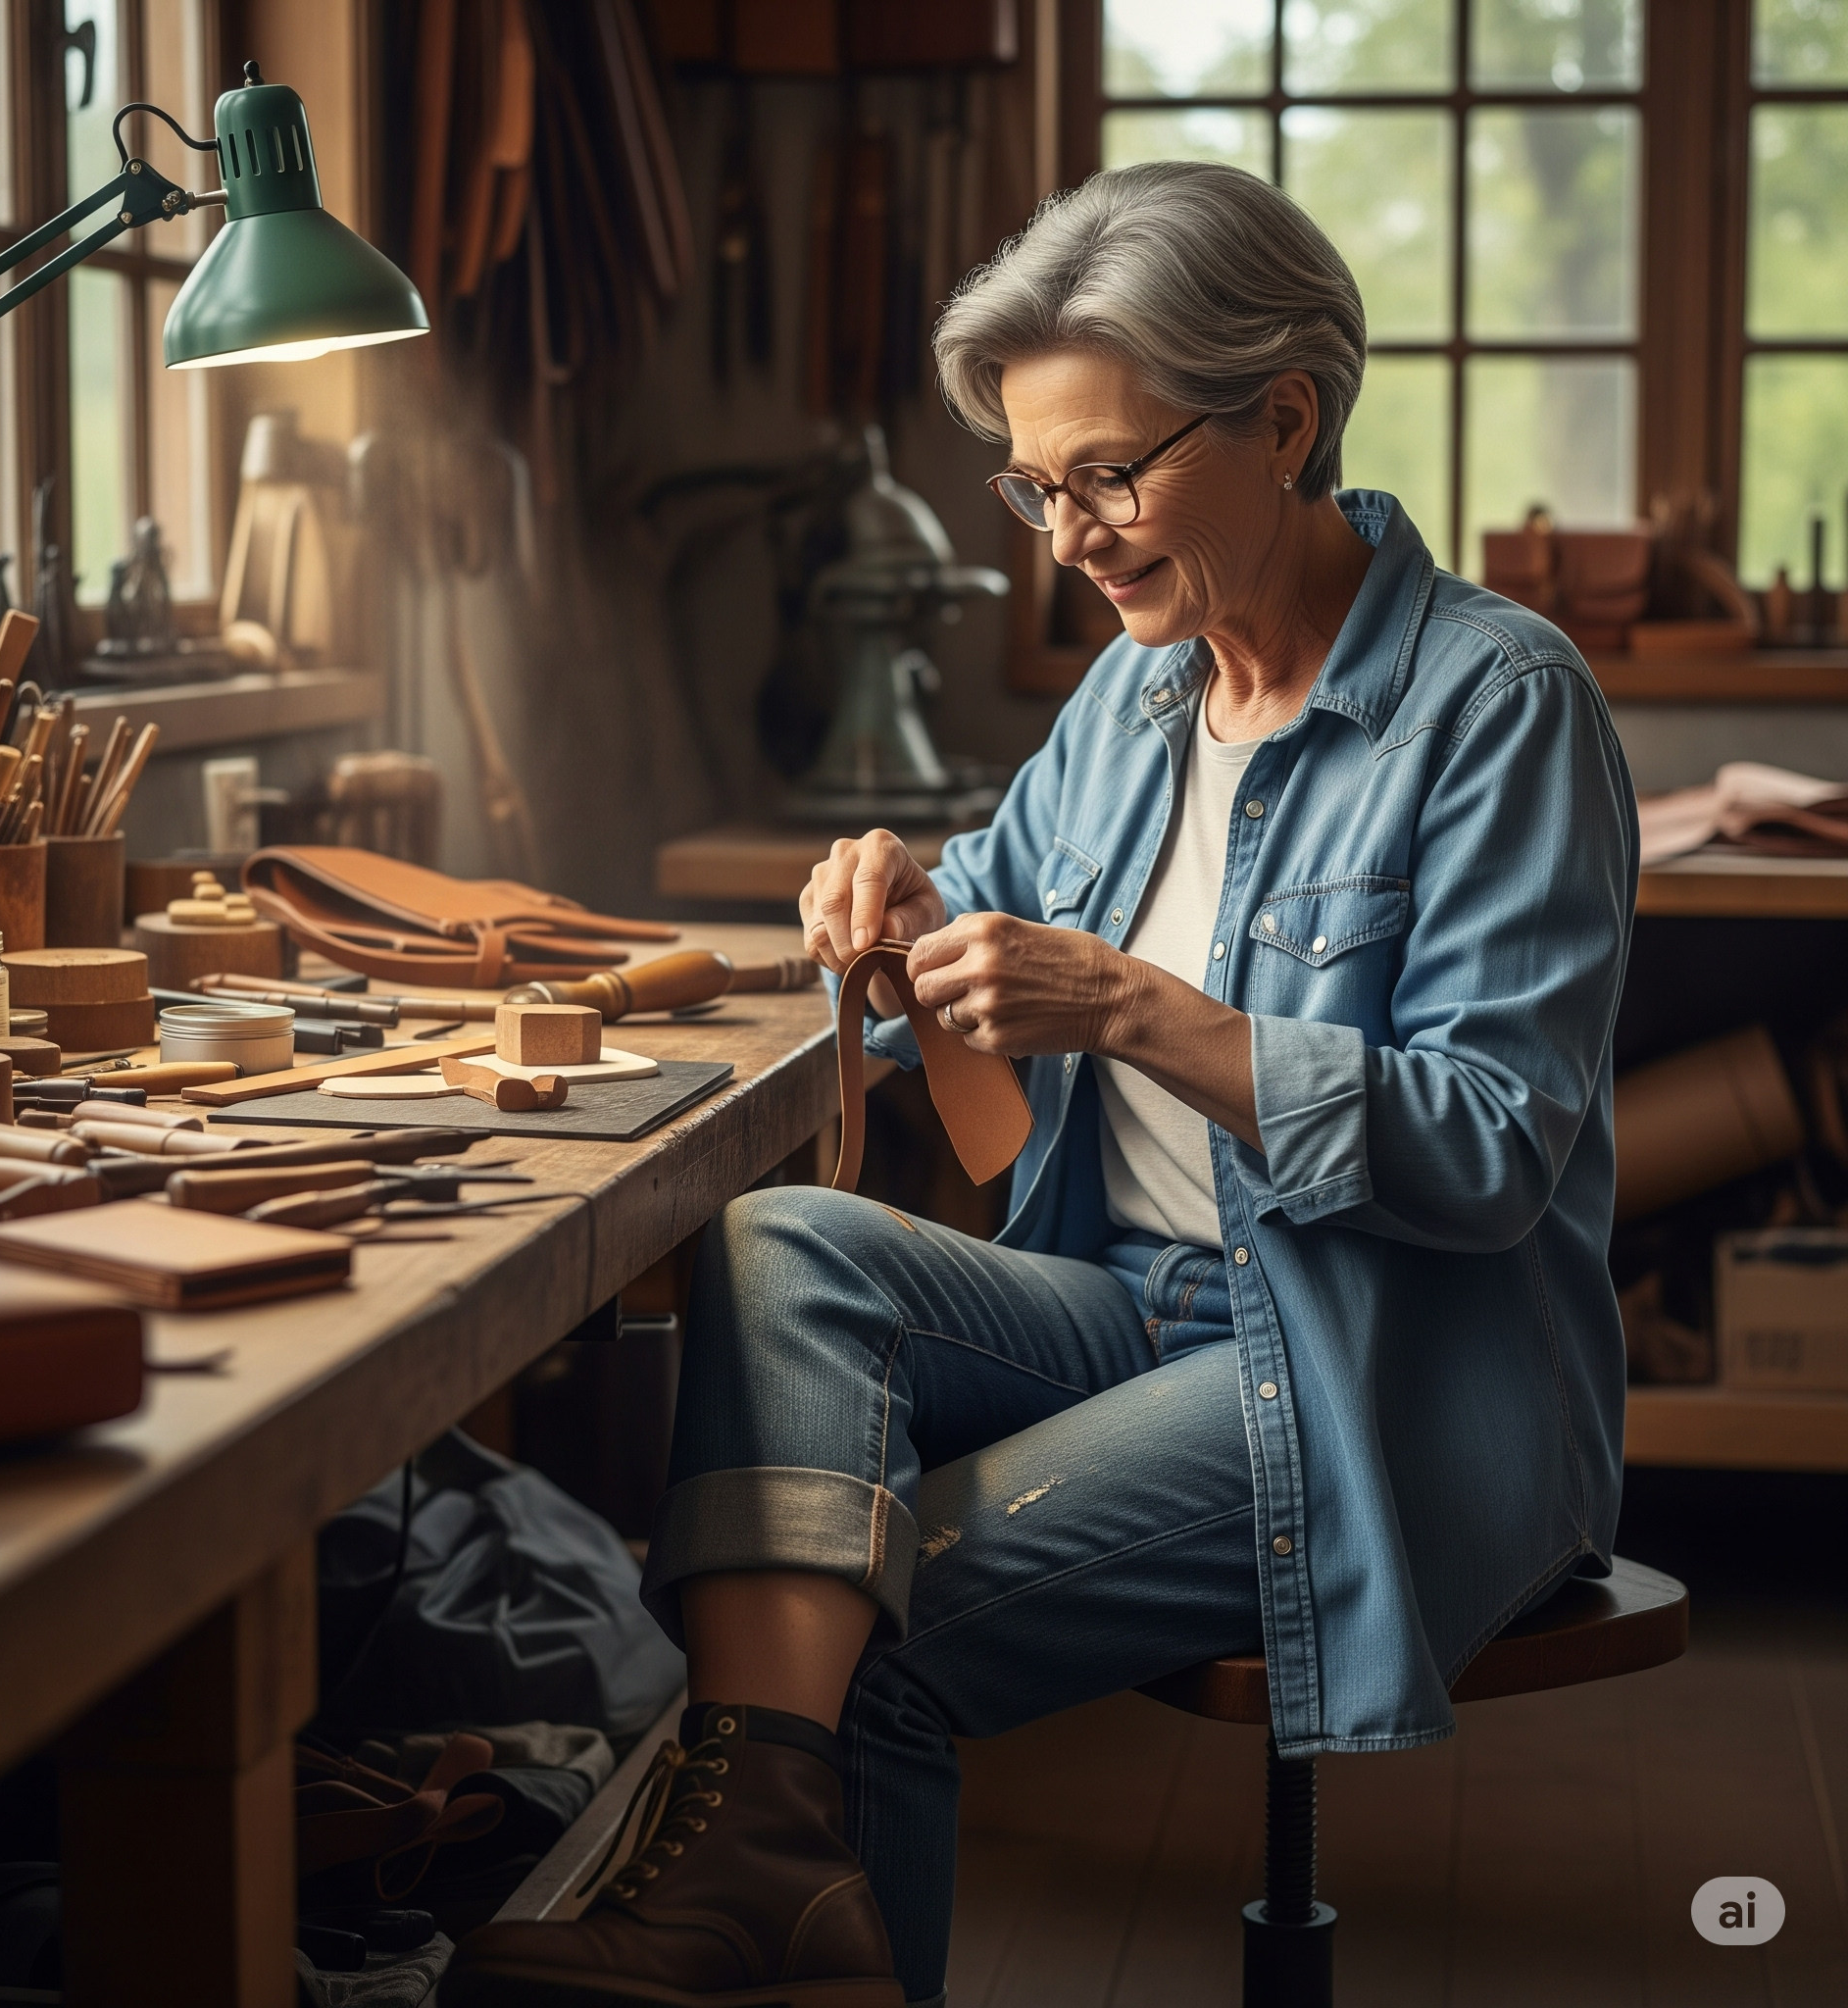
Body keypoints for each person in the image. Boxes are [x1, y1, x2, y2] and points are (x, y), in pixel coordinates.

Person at [446, 158, 1635, 2008]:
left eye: (1109, 474)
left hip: (1386, 1369)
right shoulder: (1138, 694)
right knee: (782, 1249)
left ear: (1288, 417)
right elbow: (987, 943)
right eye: (1035, 484)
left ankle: (764, 1888)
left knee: (874, 1630)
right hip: (1142, 1308)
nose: (1066, 534)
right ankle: (762, 1862)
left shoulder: (1498, 702)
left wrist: (1142, 1011)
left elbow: (1486, 1154)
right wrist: (899, 910)